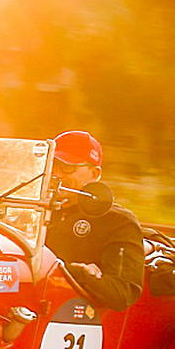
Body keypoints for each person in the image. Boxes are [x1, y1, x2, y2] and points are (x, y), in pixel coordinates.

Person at [45, 130, 144, 311]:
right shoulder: (26, 210)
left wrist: (79, 274)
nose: (56, 174)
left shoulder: (117, 221)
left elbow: (123, 294)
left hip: (71, 314)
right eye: (52, 165)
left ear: (94, 174)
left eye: (68, 167)